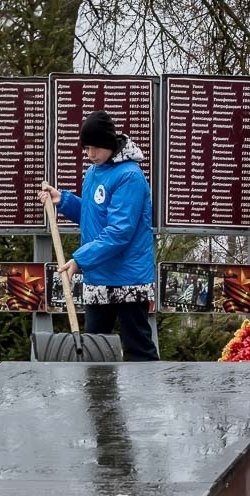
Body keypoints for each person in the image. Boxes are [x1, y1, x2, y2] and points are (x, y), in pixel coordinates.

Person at [39, 110, 159, 361]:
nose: (89, 154)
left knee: (138, 348)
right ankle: (97, 400)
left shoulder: (130, 176)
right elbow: (93, 216)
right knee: (93, 350)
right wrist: (63, 200)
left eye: (94, 148)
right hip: (99, 276)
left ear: (109, 144)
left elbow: (119, 232)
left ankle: (147, 398)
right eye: (86, 148)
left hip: (129, 278)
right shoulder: (94, 172)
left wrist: (80, 259)